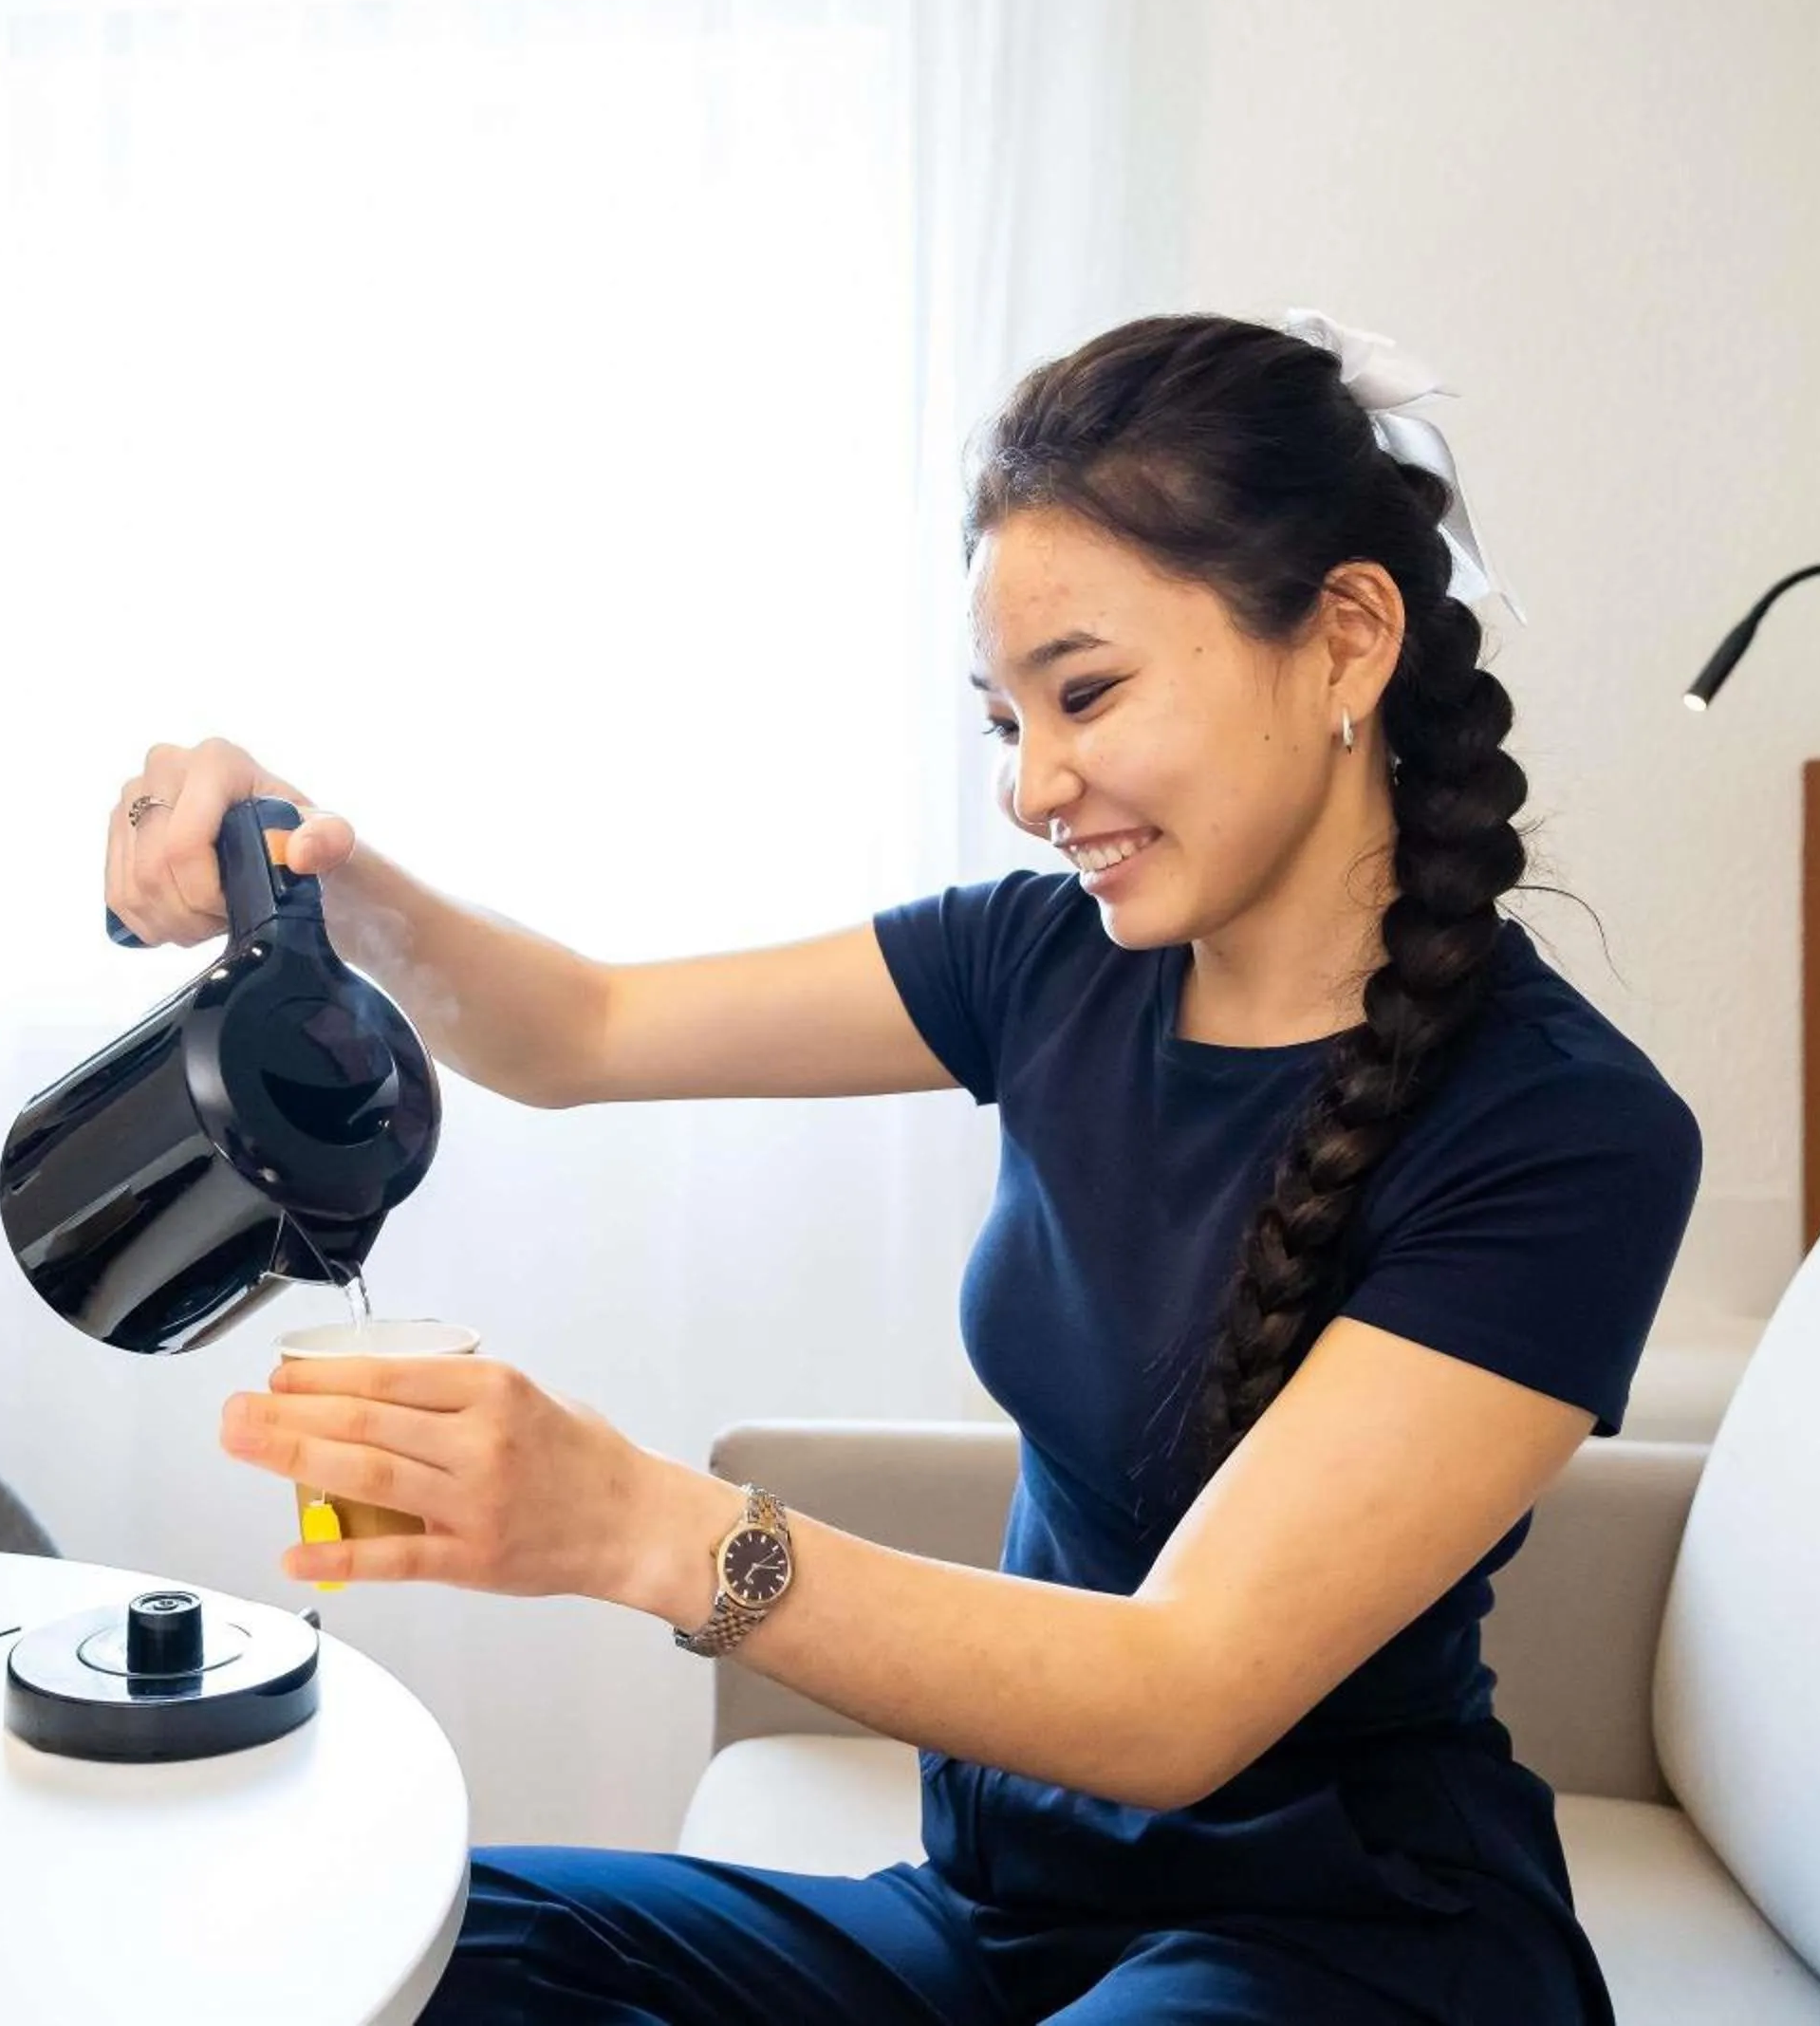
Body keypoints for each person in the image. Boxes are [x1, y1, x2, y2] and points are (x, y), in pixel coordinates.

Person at [103, 309, 1700, 2024]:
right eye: (1005, 718)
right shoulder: (1047, 963)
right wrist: (310, 870)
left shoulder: (1563, 1129)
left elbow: (1181, 1691)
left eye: (1084, 693)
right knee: (395, 1950)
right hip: (1000, 1915)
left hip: (1344, 1950)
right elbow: (580, 1031)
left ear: (1346, 638)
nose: (1032, 785)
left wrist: (636, 1523)